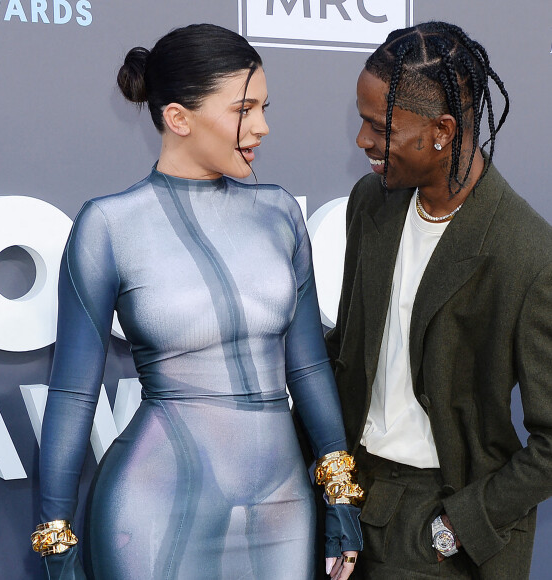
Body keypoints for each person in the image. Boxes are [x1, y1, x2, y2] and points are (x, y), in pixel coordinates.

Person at [30, 23, 362, 580]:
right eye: (244, 109)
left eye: (263, 107)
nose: (262, 126)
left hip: (282, 511)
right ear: (178, 118)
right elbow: (70, 395)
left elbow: (306, 367)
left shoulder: (280, 214)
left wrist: (341, 498)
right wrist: (56, 542)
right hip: (154, 506)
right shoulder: (108, 226)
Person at [326, 21, 552, 579]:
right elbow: (349, 346)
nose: (362, 141)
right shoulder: (371, 204)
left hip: (441, 524)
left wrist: (459, 526)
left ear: (442, 131)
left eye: (379, 127)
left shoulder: (525, 252)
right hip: (351, 504)